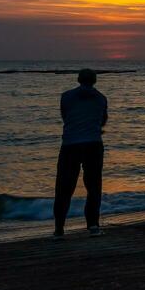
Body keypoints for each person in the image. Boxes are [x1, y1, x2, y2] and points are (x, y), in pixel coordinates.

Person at [55, 68, 108, 237]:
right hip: (93, 144)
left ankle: (59, 228)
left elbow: (65, 116)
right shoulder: (101, 98)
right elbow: (103, 120)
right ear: (95, 81)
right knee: (93, 186)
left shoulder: (66, 96)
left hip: (70, 144)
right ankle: (93, 225)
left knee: (64, 186)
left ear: (78, 79)